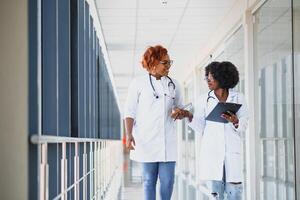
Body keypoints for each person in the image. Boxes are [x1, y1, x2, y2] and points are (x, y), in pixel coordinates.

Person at [124, 45, 185, 200]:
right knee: (149, 181)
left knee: (168, 182)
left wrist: (179, 112)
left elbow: (180, 107)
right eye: (165, 63)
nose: (168, 66)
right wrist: (129, 134)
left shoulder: (175, 84)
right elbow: (129, 111)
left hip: (167, 141)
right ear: (152, 63)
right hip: (146, 140)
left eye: (169, 62)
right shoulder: (138, 83)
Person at [182, 61, 249, 200]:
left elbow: (244, 124)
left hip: (232, 152)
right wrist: (189, 116)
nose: (208, 79)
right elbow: (201, 127)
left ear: (222, 76)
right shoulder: (203, 100)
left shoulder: (239, 97)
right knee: (216, 196)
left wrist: (235, 121)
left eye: (211, 76)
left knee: (235, 194)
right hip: (212, 154)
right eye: (206, 76)